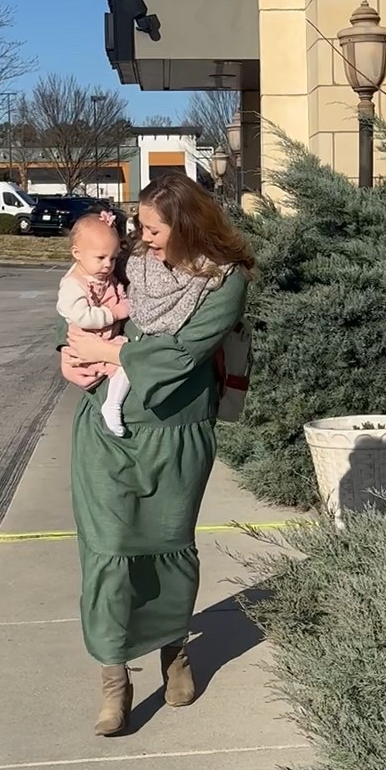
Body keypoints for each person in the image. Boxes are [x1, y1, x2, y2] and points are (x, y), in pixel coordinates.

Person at [58, 175, 254, 736]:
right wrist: (66, 353)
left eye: (153, 229)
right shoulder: (133, 264)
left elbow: (183, 354)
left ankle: (175, 651)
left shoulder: (224, 282)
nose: (142, 240)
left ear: (187, 226)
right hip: (106, 430)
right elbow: (80, 293)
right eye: (139, 227)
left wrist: (105, 349)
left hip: (177, 432)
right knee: (107, 552)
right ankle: (113, 680)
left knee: (168, 548)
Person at [56, 213, 131, 420]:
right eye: (101, 258)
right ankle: (113, 405)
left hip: (104, 339)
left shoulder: (106, 277)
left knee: (125, 361)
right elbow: (81, 316)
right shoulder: (73, 283)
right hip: (88, 342)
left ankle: (112, 403)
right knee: (124, 364)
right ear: (77, 253)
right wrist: (114, 313)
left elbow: (119, 294)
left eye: (113, 258)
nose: (108, 264)